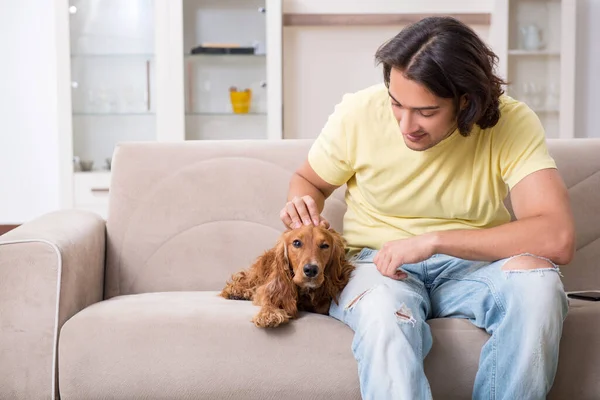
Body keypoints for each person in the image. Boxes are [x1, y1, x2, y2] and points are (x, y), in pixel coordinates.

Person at [279, 16, 575, 400]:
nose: (406, 124)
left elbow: (557, 235)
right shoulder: (358, 113)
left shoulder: (510, 121)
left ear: (466, 101)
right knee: (385, 314)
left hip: (473, 269)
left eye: (427, 111)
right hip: (376, 266)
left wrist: (434, 241)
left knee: (539, 285)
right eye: (396, 104)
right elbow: (311, 181)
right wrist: (301, 203)